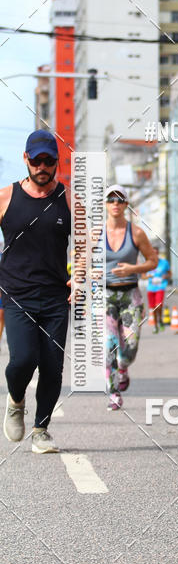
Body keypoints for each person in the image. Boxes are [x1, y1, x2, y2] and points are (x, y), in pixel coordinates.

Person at [0, 130, 71, 453]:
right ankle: (16, 400)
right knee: (23, 360)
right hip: (16, 294)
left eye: (49, 160)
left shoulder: (68, 199)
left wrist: (80, 274)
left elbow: (87, 241)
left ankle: (41, 430)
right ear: (26, 159)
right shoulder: (6, 197)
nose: (43, 167)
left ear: (56, 161)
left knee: (52, 367)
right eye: (37, 160)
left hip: (56, 296)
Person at [103, 185, 157, 410]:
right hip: (104, 295)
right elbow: (82, 261)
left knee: (130, 348)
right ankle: (114, 393)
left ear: (126, 204)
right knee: (109, 345)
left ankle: (123, 367)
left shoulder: (136, 233)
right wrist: (84, 274)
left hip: (130, 295)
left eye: (120, 199)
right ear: (105, 204)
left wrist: (132, 269)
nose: (115, 203)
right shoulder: (95, 233)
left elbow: (153, 261)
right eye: (111, 199)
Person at [145, 249, 171, 333]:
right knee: (153, 308)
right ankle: (155, 325)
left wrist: (165, 276)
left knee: (158, 306)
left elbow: (169, 274)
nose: (154, 255)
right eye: (153, 253)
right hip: (150, 288)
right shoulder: (147, 263)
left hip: (160, 287)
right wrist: (148, 276)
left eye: (156, 253)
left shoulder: (164, 263)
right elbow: (142, 276)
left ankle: (160, 319)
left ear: (158, 253)